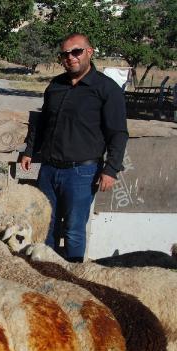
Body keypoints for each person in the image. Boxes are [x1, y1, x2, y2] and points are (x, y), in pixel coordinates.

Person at [20, 33, 128, 262]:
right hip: (49, 169)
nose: (70, 57)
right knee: (44, 224)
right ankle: (45, 272)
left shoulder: (107, 89)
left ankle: (73, 279)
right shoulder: (55, 85)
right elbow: (43, 121)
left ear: (90, 51)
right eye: (65, 54)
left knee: (74, 229)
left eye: (76, 51)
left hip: (82, 172)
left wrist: (111, 169)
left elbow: (118, 133)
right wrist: (30, 151)